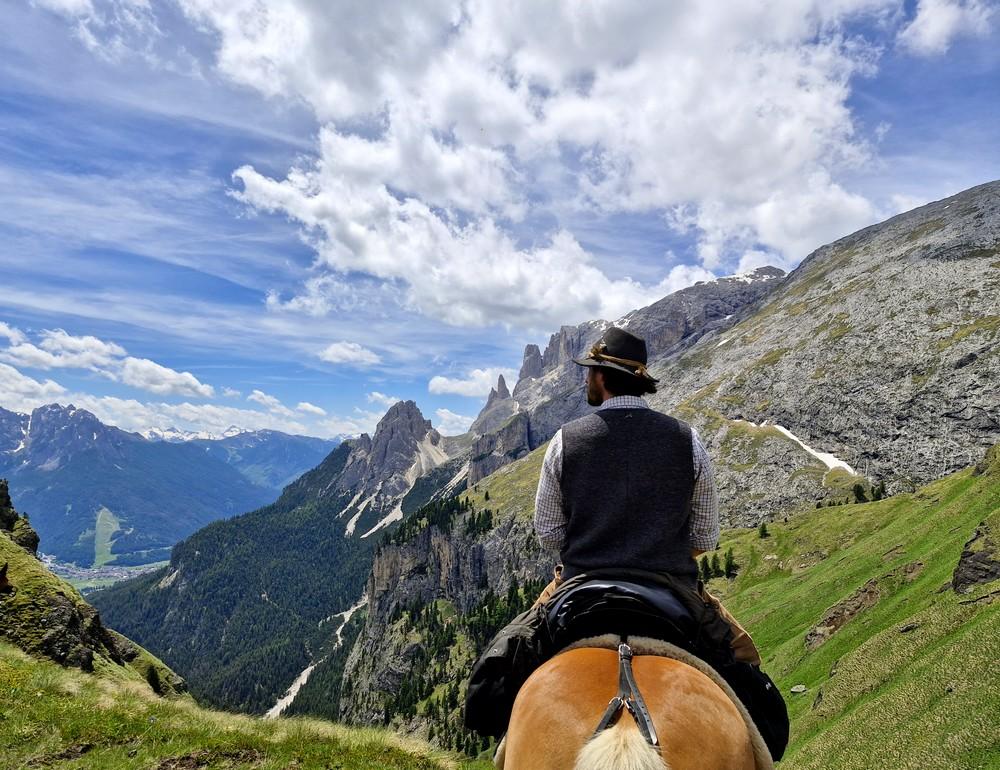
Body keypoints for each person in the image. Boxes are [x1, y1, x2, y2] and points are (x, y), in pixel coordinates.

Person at [531, 326, 760, 666]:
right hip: (670, 589)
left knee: (505, 662)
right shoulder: (688, 439)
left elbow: (548, 534)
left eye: (589, 372)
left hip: (580, 583)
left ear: (601, 376)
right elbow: (705, 536)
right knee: (747, 665)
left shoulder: (564, 441)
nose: (585, 381)